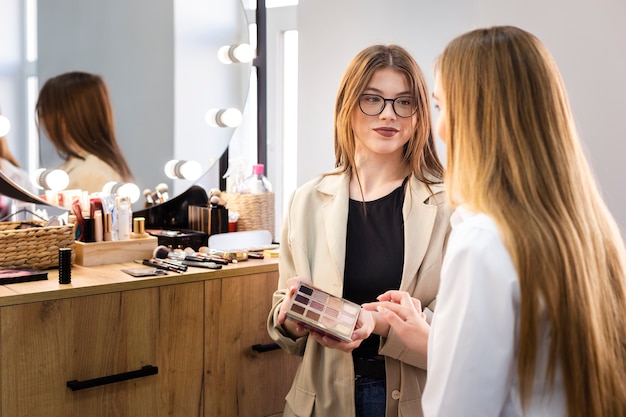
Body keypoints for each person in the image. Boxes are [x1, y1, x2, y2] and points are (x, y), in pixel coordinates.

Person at [365, 26, 626, 417]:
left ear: (477, 115)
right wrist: (438, 339)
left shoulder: (482, 241)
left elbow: (462, 407)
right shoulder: (590, 229)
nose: (441, 127)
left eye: (442, 107)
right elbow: (535, 369)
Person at [267, 44, 451, 417]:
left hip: (410, 398)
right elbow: (281, 321)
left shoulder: (450, 204)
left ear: (419, 113)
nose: (388, 114)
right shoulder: (307, 199)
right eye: (373, 100)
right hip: (319, 400)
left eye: (404, 102)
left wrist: (378, 323)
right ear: (348, 106)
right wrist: (290, 318)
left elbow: (456, 323)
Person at [35, 71, 133, 192]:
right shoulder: (83, 168)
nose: (43, 121)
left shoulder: (91, 174)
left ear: (64, 116)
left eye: (45, 111)